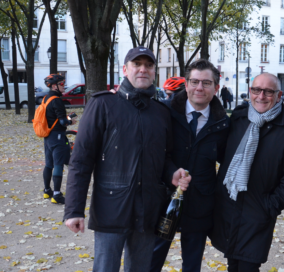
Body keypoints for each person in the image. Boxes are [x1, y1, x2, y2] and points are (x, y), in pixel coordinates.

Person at [63, 46, 192, 272]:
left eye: (149, 65)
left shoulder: (161, 112)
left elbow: (165, 156)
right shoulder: (102, 104)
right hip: (111, 209)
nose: (143, 69)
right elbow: (82, 160)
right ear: (125, 69)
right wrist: (74, 209)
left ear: (154, 71)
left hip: (148, 210)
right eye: (137, 64)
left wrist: (172, 172)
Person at [150, 59, 230, 272]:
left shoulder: (223, 123)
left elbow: (227, 160)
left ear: (216, 87)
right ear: (186, 85)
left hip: (200, 202)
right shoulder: (163, 112)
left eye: (206, 83)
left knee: (192, 264)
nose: (199, 88)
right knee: (151, 259)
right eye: (194, 82)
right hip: (163, 200)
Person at [211, 73, 284, 272]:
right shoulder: (238, 119)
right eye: (256, 90)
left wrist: (269, 206)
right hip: (229, 208)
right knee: (233, 264)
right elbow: (224, 156)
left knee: (248, 266)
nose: (261, 96)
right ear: (250, 92)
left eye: (268, 91)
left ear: (279, 95)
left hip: (258, 212)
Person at [41, 74, 77, 204]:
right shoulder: (57, 100)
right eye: (61, 84)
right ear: (54, 85)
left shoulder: (46, 98)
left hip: (48, 136)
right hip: (58, 136)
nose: (64, 86)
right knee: (58, 164)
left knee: (48, 164)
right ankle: (56, 195)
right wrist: (70, 121)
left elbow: (51, 117)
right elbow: (62, 122)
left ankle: (47, 191)